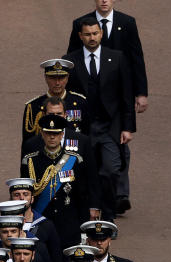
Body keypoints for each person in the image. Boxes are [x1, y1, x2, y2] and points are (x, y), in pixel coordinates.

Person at [63, 15, 135, 217]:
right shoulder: (70, 61)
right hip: (83, 128)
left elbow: (126, 95)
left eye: (95, 33)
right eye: (87, 34)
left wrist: (127, 127)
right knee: (84, 172)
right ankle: (85, 214)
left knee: (111, 170)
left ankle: (109, 217)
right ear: (80, 36)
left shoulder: (117, 58)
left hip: (109, 127)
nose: (92, 37)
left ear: (101, 34)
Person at [20, 114, 100, 249]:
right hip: (41, 220)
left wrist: (84, 224)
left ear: (62, 135)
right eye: (48, 133)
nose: (52, 137)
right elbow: (24, 193)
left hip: (68, 222)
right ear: (42, 134)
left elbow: (81, 195)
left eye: (56, 134)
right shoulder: (30, 161)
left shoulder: (75, 160)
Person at [22, 59, 89, 144]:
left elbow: (87, 136)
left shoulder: (80, 102)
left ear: (67, 78)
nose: (57, 83)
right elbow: (28, 144)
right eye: (52, 78)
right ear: (45, 78)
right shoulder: (33, 106)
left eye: (61, 78)